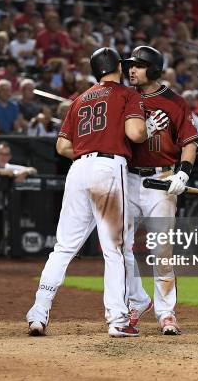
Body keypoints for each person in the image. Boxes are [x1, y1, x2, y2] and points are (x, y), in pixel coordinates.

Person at [26, 47, 168, 338]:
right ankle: (117, 318)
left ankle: (39, 311)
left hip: (78, 169)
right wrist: (149, 128)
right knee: (115, 249)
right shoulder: (127, 95)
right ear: (116, 66)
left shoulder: (80, 99)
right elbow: (136, 134)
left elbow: (62, 147)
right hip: (108, 168)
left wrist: (88, 145)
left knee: (64, 247)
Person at [120, 46, 198, 335]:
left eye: (138, 65)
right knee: (119, 246)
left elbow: (190, 142)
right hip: (127, 178)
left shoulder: (174, 102)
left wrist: (183, 172)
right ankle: (134, 303)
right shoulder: (123, 97)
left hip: (161, 180)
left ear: (153, 69)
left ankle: (166, 313)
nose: (131, 70)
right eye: (130, 65)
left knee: (161, 249)